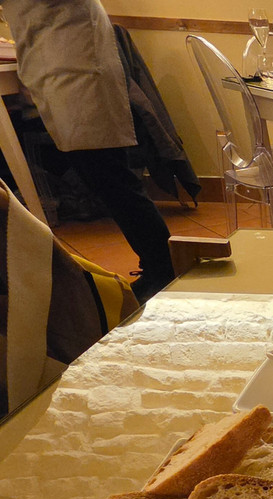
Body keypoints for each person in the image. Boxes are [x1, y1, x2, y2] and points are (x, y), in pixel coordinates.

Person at [4, 0, 175, 303]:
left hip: (76, 64)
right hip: (57, 61)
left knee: (112, 179)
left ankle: (164, 270)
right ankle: (160, 266)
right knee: (103, 176)